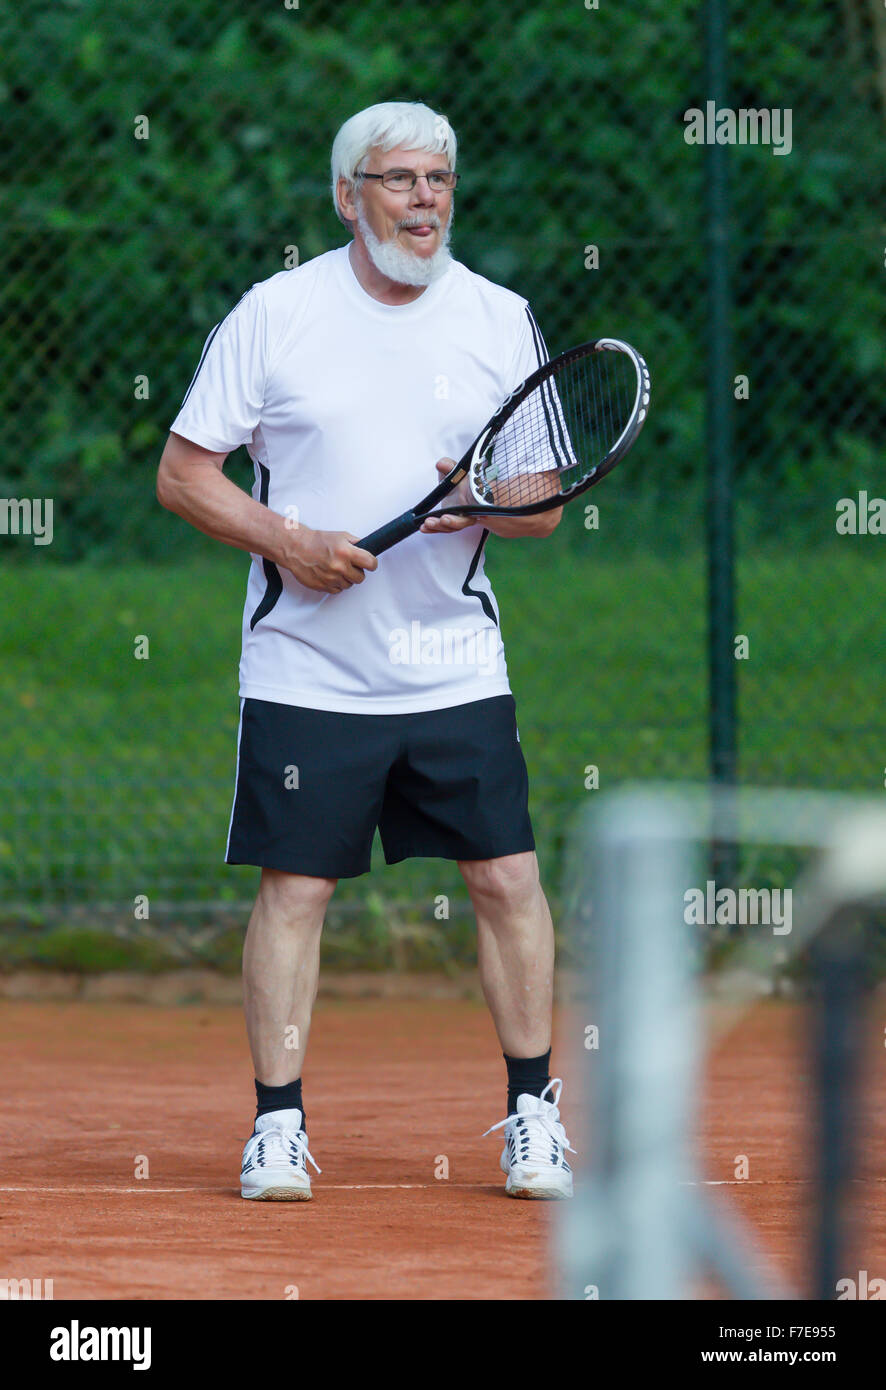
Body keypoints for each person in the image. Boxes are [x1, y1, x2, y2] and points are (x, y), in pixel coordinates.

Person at [156, 100, 575, 1203]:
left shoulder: (498, 318)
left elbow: (541, 509)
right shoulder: (276, 313)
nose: (424, 199)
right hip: (305, 669)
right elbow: (185, 473)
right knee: (295, 890)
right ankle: (278, 1128)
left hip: (454, 666)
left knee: (506, 877)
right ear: (348, 197)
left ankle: (534, 1112)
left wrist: (482, 497)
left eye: (438, 179)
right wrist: (286, 541)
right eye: (398, 180)